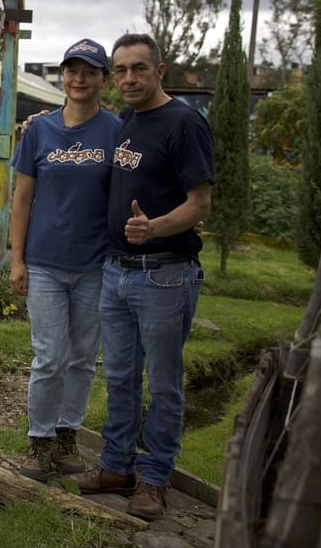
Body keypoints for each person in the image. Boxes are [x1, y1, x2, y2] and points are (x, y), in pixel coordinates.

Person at [67, 33, 214, 521]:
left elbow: (200, 204)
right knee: (122, 376)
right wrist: (38, 124)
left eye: (139, 69)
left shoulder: (185, 124)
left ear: (159, 70)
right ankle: (116, 467)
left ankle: (154, 480)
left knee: (165, 383)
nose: (129, 78)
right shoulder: (128, 120)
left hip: (165, 274)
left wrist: (155, 228)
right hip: (118, 271)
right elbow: (79, 127)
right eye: (122, 69)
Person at [9, 38, 120, 481]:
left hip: (96, 264)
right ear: (63, 76)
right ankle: (39, 443)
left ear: (102, 80)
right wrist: (17, 259)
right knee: (49, 356)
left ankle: (67, 434)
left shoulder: (116, 130)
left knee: (81, 358)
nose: (79, 79)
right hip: (45, 263)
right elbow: (21, 199)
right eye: (72, 71)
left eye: (89, 71)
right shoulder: (39, 129)